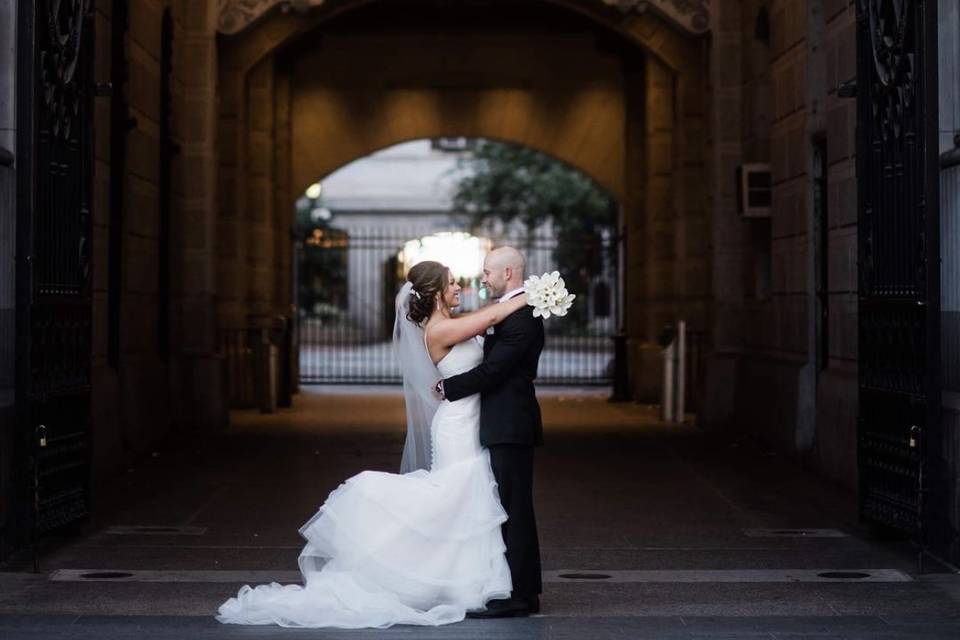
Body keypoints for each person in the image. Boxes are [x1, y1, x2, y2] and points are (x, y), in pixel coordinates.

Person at [215, 260, 528, 628]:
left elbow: (486, 323)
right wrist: (533, 295)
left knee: (464, 500)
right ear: (435, 292)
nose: (460, 287)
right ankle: (448, 577)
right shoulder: (441, 328)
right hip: (459, 426)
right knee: (456, 496)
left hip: (468, 419)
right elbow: (492, 318)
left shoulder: (451, 322)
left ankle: (465, 581)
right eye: (452, 283)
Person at [435, 247, 545, 618]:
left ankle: (523, 596)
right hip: (500, 422)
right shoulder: (509, 311)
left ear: (508, 273)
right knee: (507, 506)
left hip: (511, 423)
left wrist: (447, 389)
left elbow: (492, 372)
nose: (482, 279)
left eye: (486, 272)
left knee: (515, 509)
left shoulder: (523, 317)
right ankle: (515, 587)